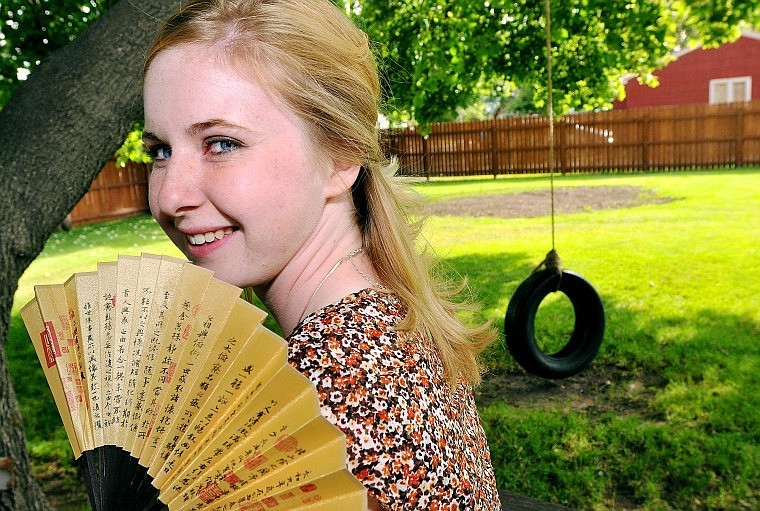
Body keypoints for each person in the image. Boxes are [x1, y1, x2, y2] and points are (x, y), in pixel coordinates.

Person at [142, 0, 501, 508]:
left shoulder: (322, 392)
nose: (170, 196)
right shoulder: (383, 324)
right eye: (160, 150)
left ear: (338, 155)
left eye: (220, 144)